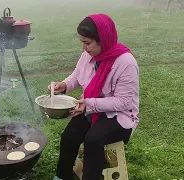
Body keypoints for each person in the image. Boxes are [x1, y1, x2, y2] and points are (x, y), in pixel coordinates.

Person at [49, 14, 140, 180]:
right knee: (69, 135)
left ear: (103, 39)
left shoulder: (126, 63)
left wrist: (89, 104)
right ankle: (62, 176)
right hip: (91, 108)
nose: (84, 47)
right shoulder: (88, 56)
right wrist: (64, 85)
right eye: (82, 42)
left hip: (120, 116)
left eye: (87, 43)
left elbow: (124, 102)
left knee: (93, 139)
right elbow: (77, 76)